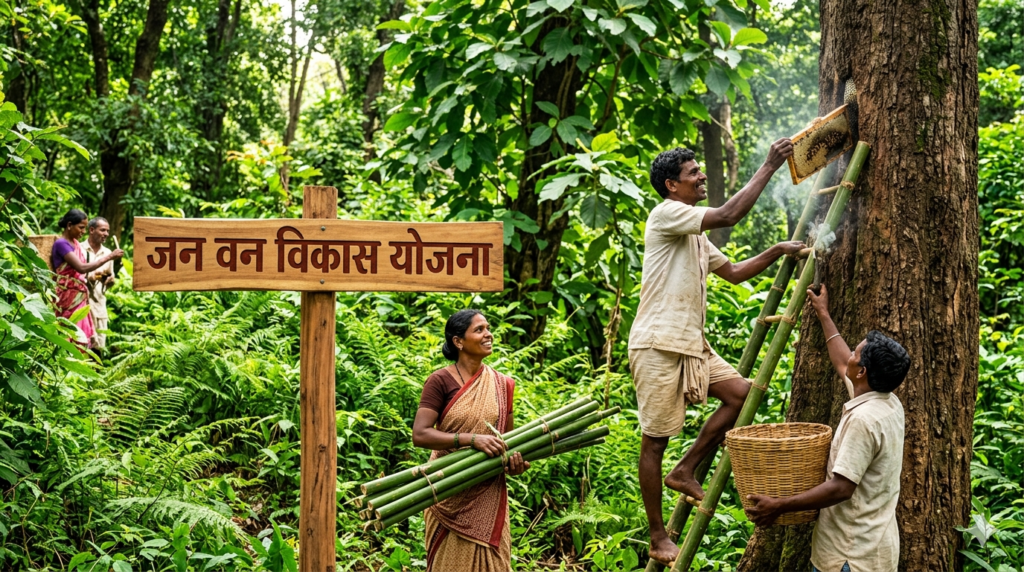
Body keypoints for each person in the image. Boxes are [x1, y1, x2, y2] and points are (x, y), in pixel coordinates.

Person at [629, 140, 806, 565]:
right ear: (672, 186)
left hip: (691, 344)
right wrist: (769, 165)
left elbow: (736, 273)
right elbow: (728, 215)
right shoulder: (667, 214)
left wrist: (777, 250)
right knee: (654, 442)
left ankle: (685, 469)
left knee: (741, 395)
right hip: (657, 343)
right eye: (693, 173)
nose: (701, 176)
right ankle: (657, 536)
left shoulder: (695, 236)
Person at [744, 284, 910, 572]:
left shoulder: (863, 420)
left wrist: (779, 505)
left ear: (862, 372)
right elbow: (841, 361)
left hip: (849, 556)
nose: (851, 355)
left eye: (856, 353)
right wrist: (823, 313)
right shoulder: (887, 402)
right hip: (876, 551)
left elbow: (841, 488)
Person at [412, 309, 528, 572]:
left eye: (488, 328)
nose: (488, 334)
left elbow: (506, 443)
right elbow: (420, 434)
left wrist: (515, 464)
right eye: (479, 330)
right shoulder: (439, 381)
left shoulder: (503, 385)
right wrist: (471, 440)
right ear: (458, 341)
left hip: (488, 494)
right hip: (446, 489)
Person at [52, 209, 123, 348]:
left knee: (86, 341)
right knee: (69, 336)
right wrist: (110, 257)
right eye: (81, 227)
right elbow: (81, 268)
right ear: (69, 225)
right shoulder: (62, 244)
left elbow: (89, 274)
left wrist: (107, 278)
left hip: (84, 299)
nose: (83, 231)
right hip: (67, 297)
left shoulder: (74, 244)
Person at [82, 217, 115, 349]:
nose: (106, 234)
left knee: (99, 347)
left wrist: (110, 281)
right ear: (91, 230)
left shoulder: (108, 253)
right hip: (82, 305)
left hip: (99, 305)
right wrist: (92, 277)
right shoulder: (79, 249)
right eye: (102, 230)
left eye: (107, 231)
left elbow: (109, 276)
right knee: (82, 345)